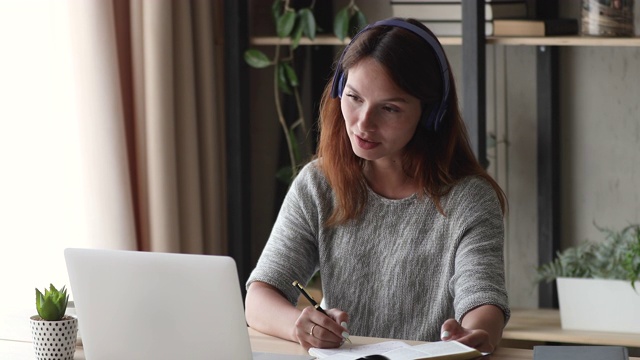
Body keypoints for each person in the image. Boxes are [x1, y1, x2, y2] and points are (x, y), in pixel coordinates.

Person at [245, 17, 510, 353]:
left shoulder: (469, 199)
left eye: (389, 108)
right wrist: (300, 325)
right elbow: (259, 297)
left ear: (431, 115)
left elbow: (483, 300)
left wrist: (472, 335)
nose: (363, 123)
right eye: (354, 98)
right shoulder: (318, 184)